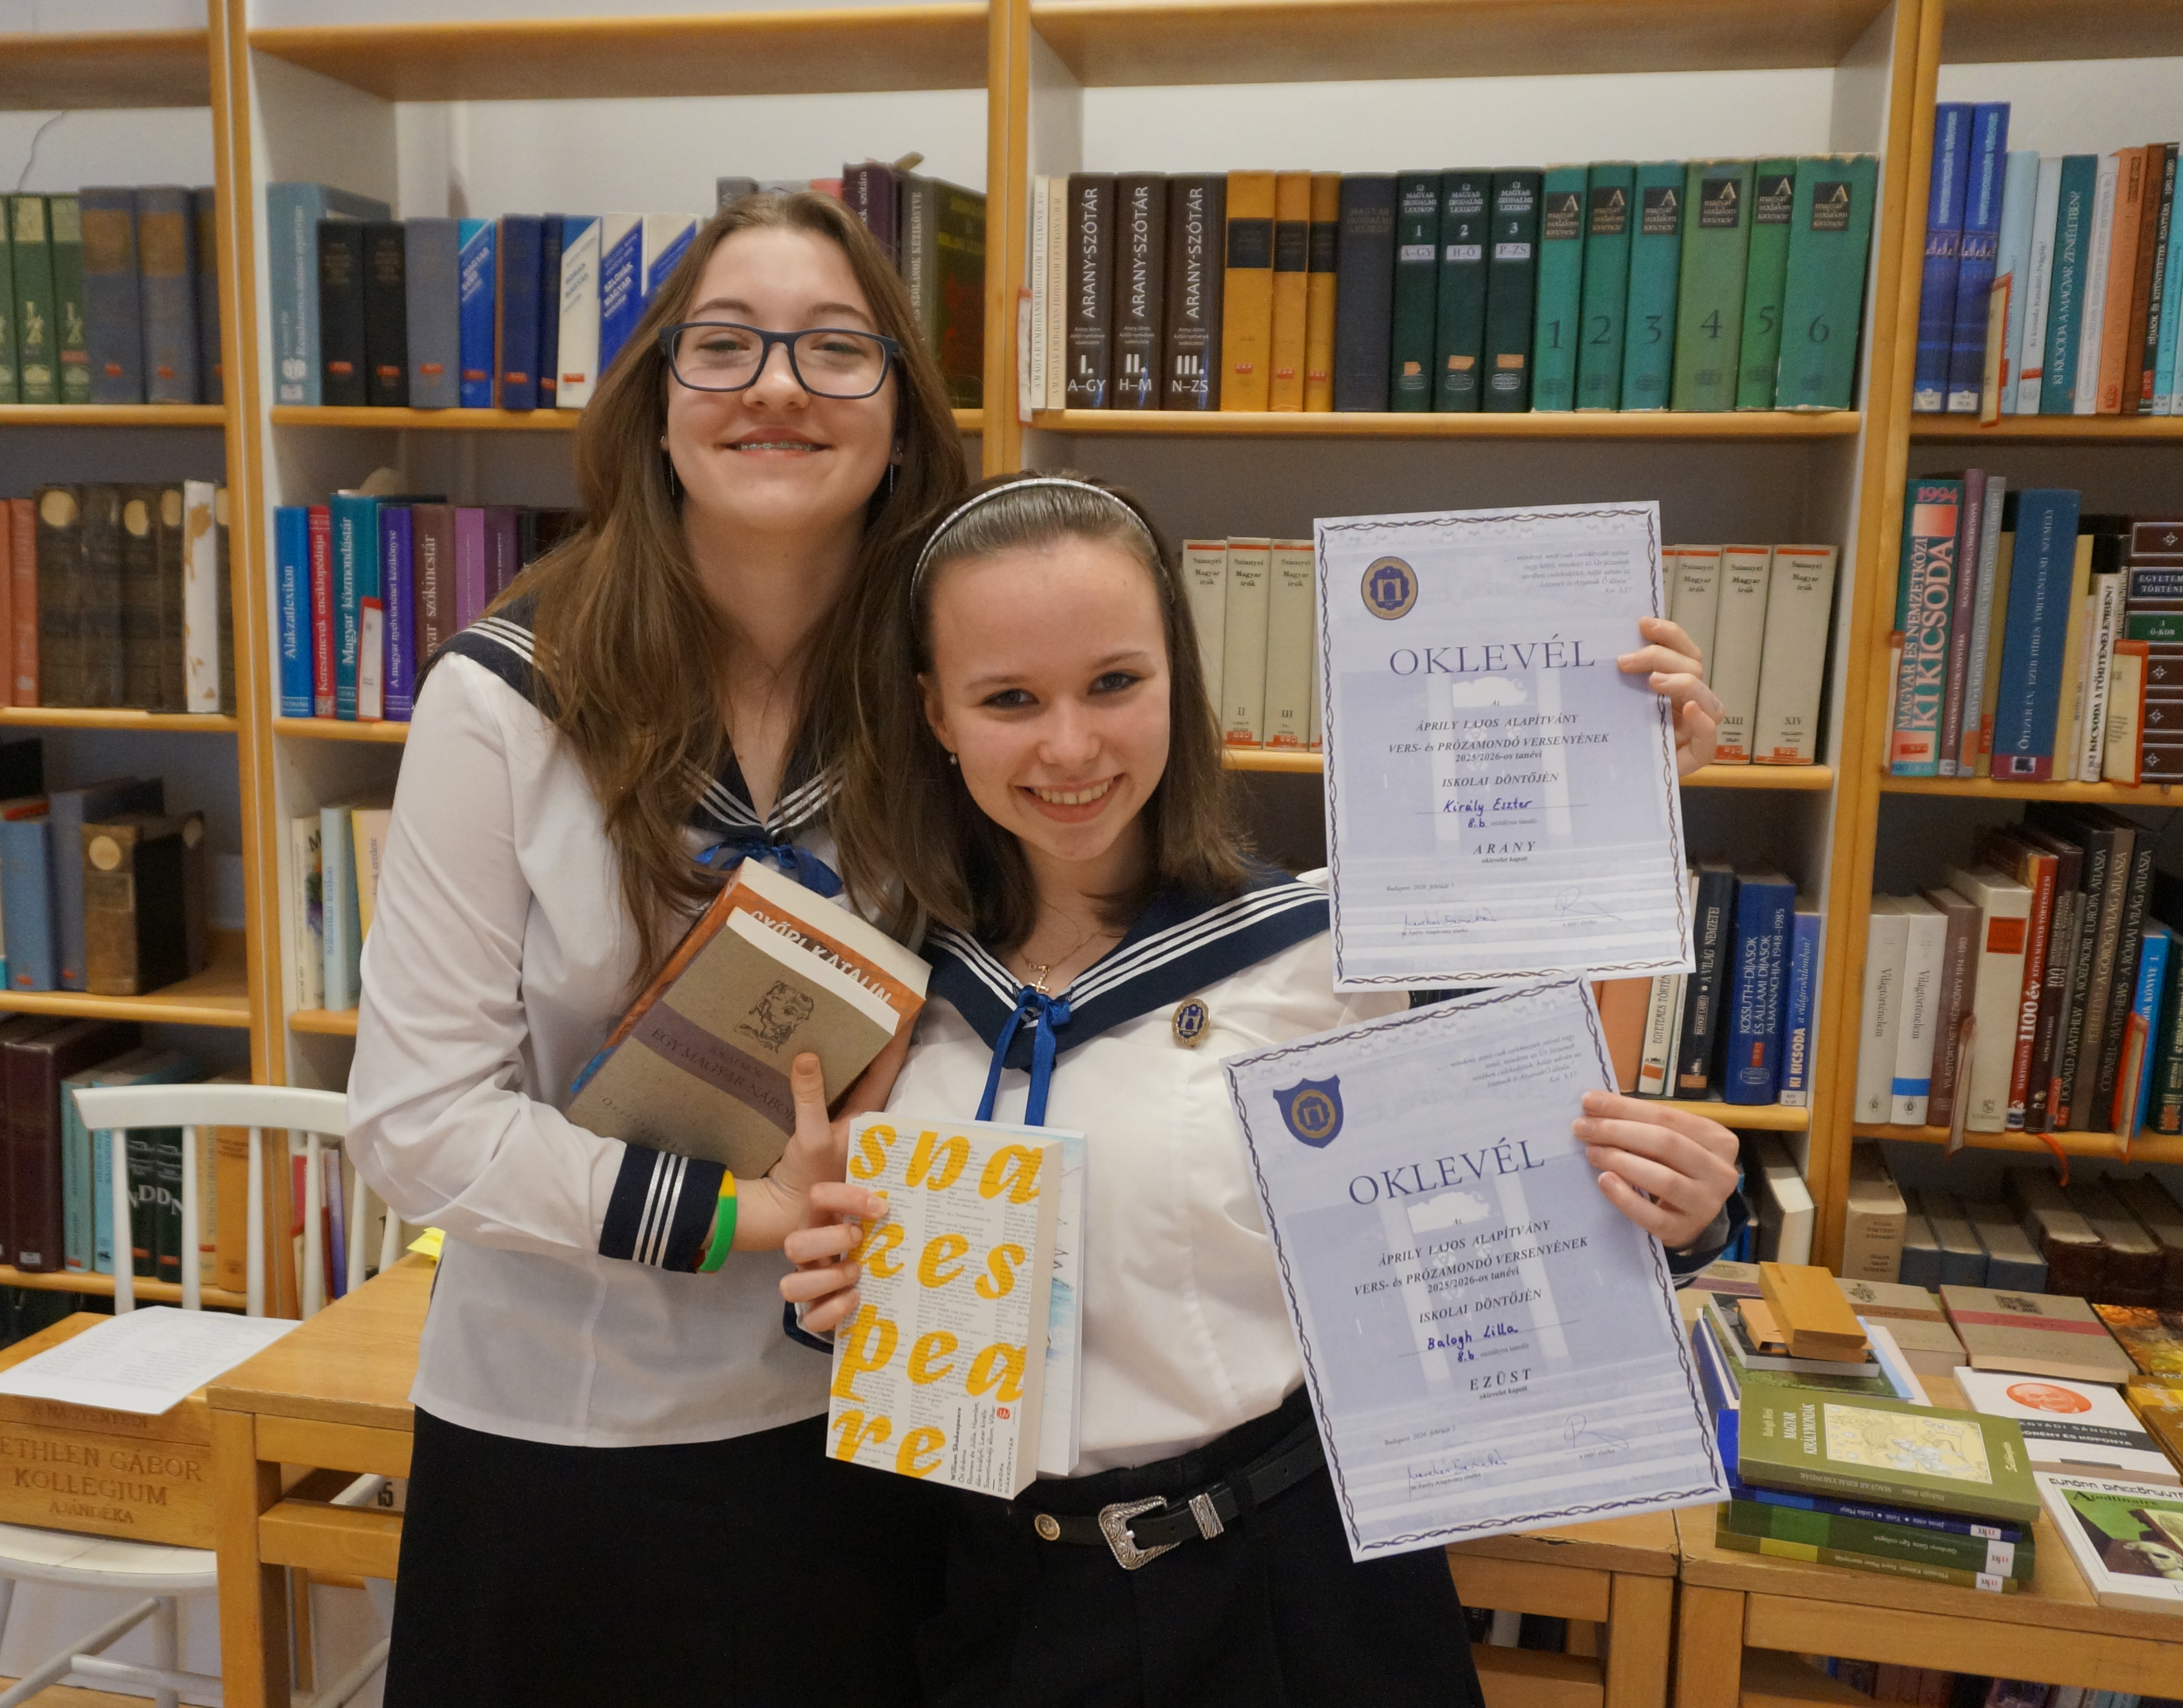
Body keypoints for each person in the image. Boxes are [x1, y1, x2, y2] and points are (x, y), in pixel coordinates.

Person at [783, 474, 1744, 1707]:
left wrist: (1679, 1206)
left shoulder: (1326, 956)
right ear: (935, 712)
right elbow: (850, 1300)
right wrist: (832, 1292)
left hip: (1293, 1603)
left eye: (1113, 682)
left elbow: (1552, 1191)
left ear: (1176, 680)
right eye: (1009, 698)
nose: (1068, 746)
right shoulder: (888, 991)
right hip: (1004, 1605)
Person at [343, 190, 970, 1705]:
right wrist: (749, 1217)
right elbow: (417, 1128)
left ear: (902, 416)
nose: (776, 387)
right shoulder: (503, 700)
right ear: (658, 403)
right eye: (725, 345)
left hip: (867, 1420)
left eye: (836, 349)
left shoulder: (953, 692)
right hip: (561, 1442)